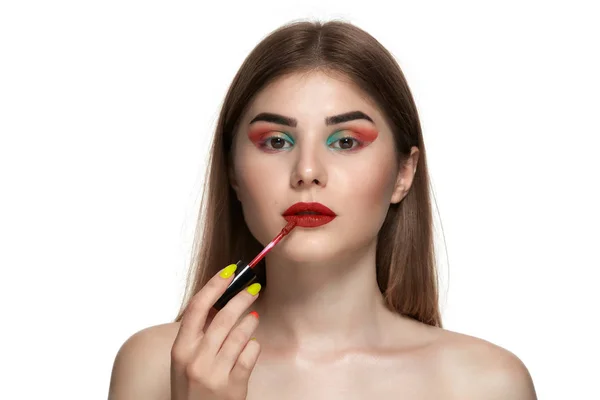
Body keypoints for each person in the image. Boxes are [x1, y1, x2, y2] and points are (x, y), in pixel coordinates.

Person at [108, 20, 537, 399]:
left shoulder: (487, 384)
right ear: (233, 174)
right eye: (276, 141)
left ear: (404, 173)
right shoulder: (155, 366)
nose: (307, 172)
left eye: (345, 141)